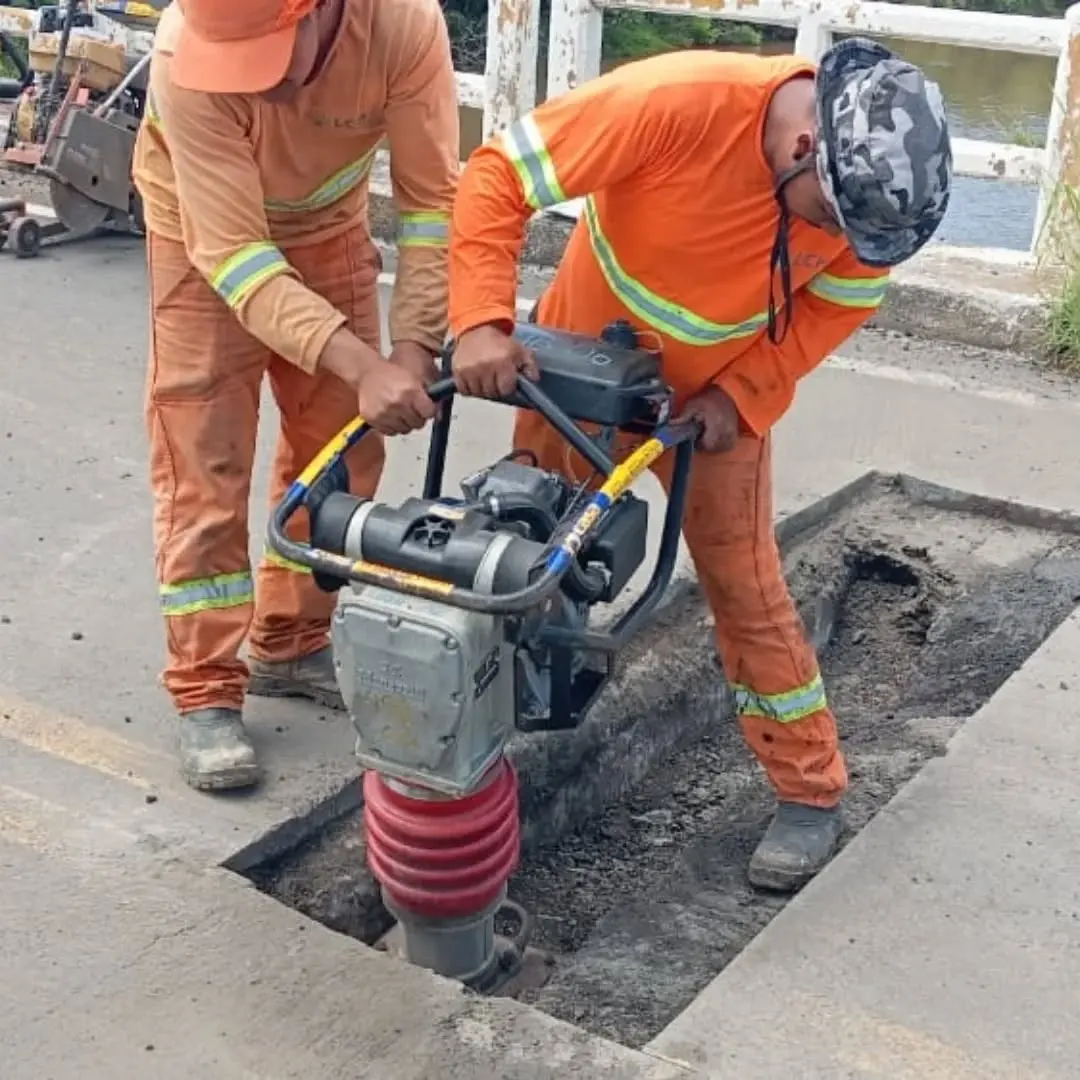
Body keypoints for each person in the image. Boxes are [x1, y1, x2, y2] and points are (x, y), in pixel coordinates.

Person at [446, 38, 951, 892]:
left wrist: (743, 392)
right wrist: (480, 323)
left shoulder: (861, 205)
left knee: (747, 587)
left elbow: (846, 295)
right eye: (828, 222)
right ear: (803, 153)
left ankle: (810, 791)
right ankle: (481, 754)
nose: (840, 242)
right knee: (523, 556)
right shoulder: (678, 103)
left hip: (714, 395)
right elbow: (500, 174)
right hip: (579, 371)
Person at [132, 0, 456, 792]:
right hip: (202, 235)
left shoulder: (405, 27)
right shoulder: (186, 54)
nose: (259, 87)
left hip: (328, 226)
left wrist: (409, 351)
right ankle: (205, 687)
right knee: (205, 455)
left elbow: (430, 207)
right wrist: (361, 362)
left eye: (269, 55)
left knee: (342, 446)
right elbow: (238, 259)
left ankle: (291, 637)